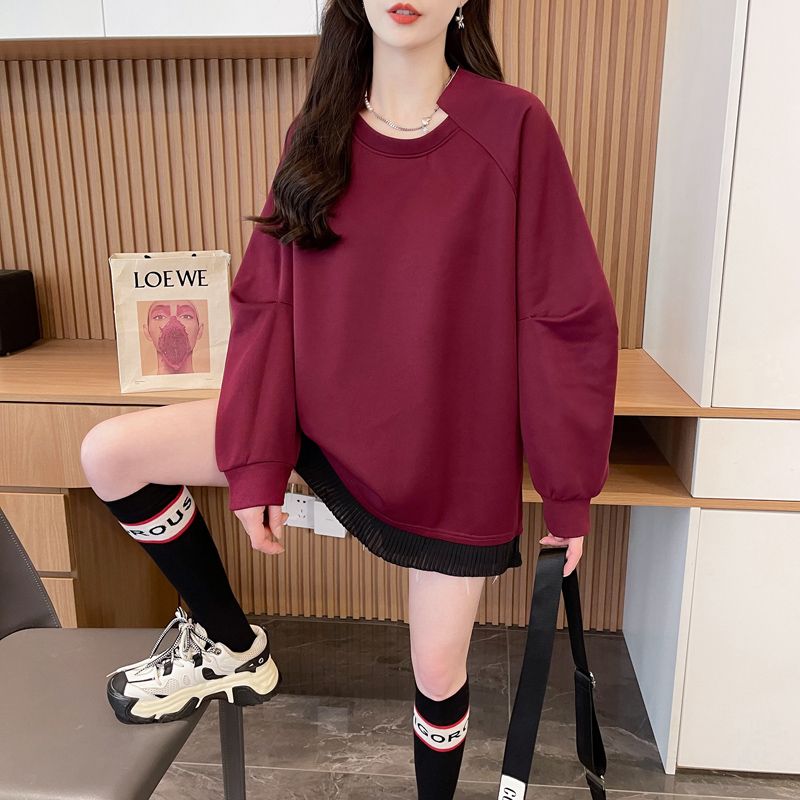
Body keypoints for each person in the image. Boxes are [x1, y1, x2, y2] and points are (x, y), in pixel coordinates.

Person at [79, 1, 618, 797]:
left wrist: (568, 490)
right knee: (110, 455)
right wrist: (257, 461)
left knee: (438, 670)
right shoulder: (318, 131)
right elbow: (267, 300)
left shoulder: (513, 125)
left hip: (448, 454)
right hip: (315, 426)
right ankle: (230, 646)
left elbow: (562, 314)